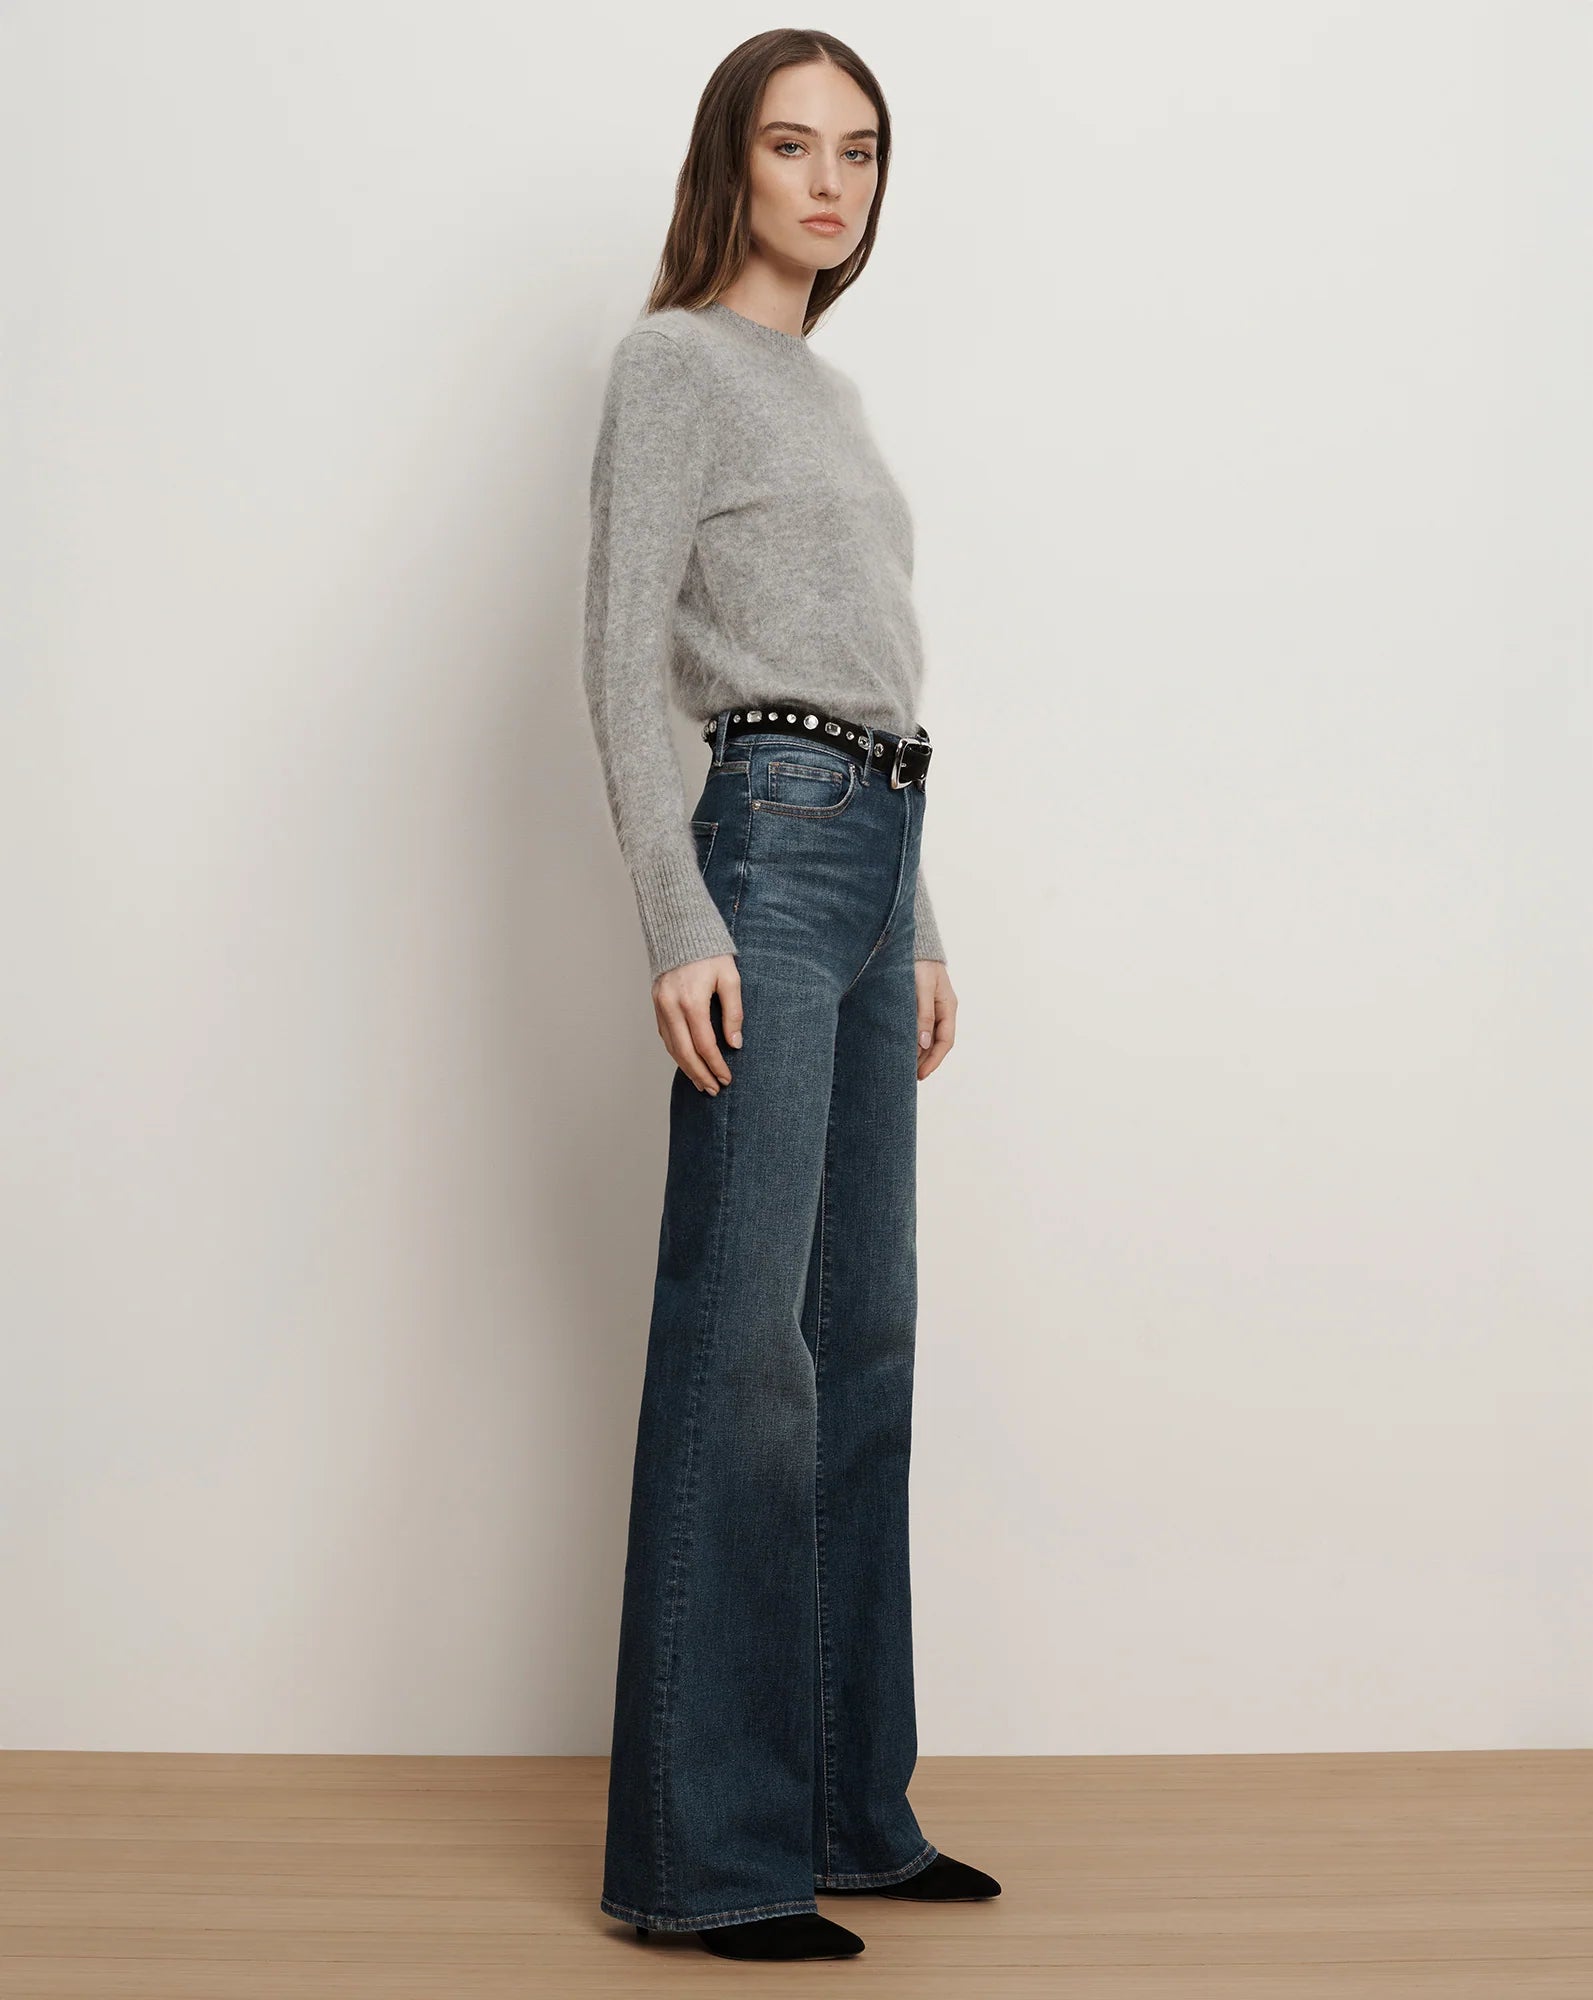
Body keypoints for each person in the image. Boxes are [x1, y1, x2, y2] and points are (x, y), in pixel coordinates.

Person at [580, 29, 997, 1964]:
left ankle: (846, 1811)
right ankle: (709, 1858)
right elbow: (617, 655)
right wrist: (677, 910)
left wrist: (921, 920)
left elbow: (873, 669)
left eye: (861, 151)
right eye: (793, 146)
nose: (831, 183)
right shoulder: (673, 364)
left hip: (875, 850)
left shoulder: (830, 394)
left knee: (864, 1341)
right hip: (763, 844)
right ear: (729, 167)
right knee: (743, 1348)